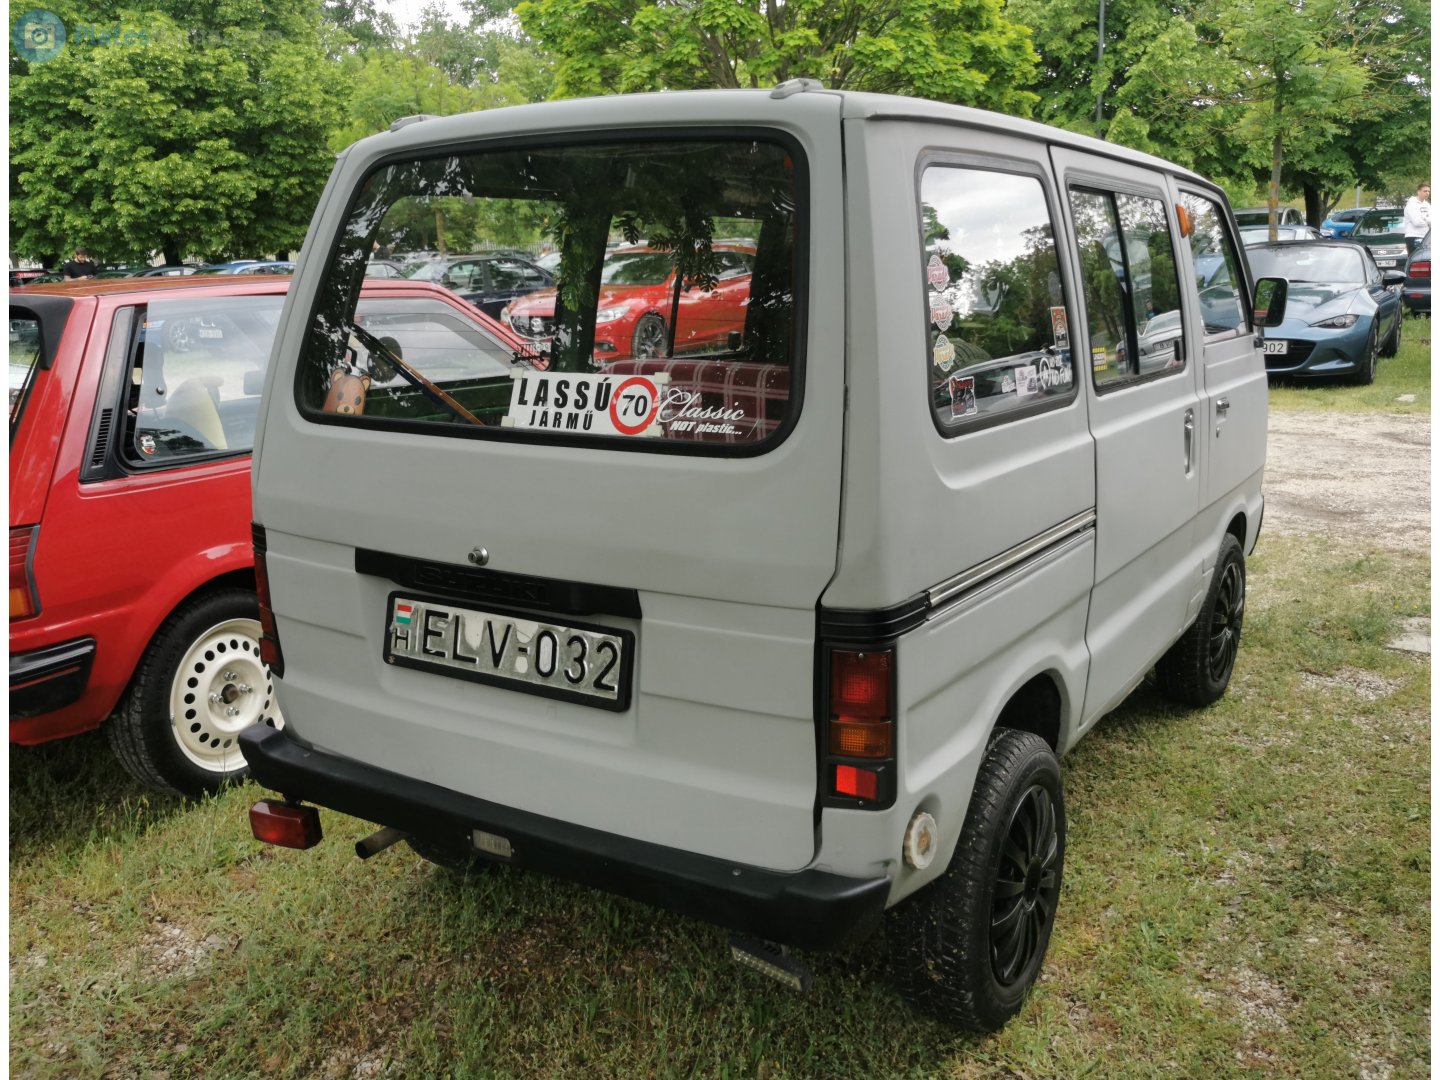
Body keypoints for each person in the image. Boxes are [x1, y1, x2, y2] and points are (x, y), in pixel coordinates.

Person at [1403, 182, 1430, 254]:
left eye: (1428, 191)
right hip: (1413, 236)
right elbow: (1417, 222)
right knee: (1415, 259)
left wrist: (1425, 219)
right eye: (1425, 191)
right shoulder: (1411, 204)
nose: (1427, 193)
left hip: (1426, 237)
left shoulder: (1427, 204)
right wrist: (1427, 220)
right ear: (1418, 192)